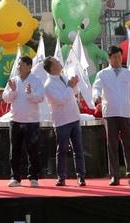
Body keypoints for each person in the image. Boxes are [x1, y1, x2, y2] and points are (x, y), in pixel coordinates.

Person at [92, 45, 130, 187]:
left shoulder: (128, 74)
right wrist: (96, 97)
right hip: (110, 113)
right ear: (109, 58)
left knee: (128, 145)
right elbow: (96, 88)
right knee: (112, 145)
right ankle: (114, 176)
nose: (117, 59)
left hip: (125, 113)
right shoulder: (103, 74)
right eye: (114, 57)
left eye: (119, 56)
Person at [1, 55, 45, 188]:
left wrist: (30, 94)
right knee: (15, 151)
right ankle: (15, 177)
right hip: (15, 120)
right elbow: (6, 98)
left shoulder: (36, 81)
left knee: (32, 150)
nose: (18, 67)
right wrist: (13, 91)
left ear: (29, 66)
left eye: (21, 64)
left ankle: (33, 177)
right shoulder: (13, 80)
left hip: (32, 121)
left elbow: (41, 97)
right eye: (18, 64)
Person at [44, 57, 86, 187]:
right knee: (62, 149)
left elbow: (73, 92)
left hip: (74, 117)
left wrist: (74, 84)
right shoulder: (48, 85)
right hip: (62, 121)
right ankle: (61, 177)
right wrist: (70, 87)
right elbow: (60, 100)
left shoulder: (63, 77)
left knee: (78, 149)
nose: (59, 62)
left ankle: (81, 177)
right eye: (56, 61)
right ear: (51, 68)